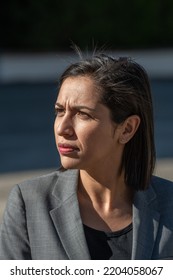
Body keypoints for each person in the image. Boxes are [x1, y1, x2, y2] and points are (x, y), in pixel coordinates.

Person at [0, 53, 173, 260]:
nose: (63, 128)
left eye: (83, 114)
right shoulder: (29, 203)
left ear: (127, 129)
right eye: (59, 111)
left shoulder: (168, 204)